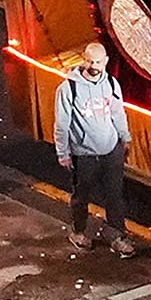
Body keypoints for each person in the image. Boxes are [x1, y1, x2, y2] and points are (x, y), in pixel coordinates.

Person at [55, 41, 137, 256]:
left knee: (115, 196)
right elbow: (62, 123)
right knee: (82, 196)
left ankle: (117, 236)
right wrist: (62, 153)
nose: (94, 65)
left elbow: (118, 113)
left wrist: (125, 137)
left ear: (106, 61)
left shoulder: (111, 83)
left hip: (111, 150)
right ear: (83, 59)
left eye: (98, 61)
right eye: (90, 61)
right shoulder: (68, 88)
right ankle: (79, 232)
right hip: (84, 154)